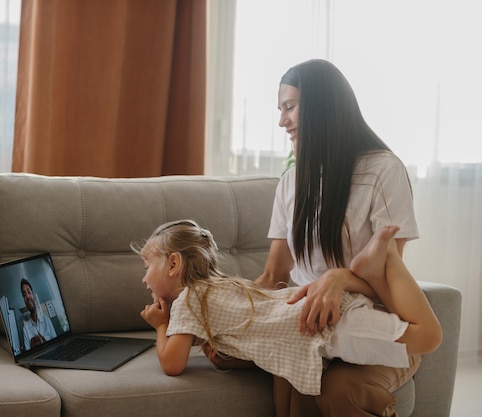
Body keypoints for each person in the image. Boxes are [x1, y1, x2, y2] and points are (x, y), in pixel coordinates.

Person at [245, 58, 435, 416]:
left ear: (320, 107)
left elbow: (389, 278)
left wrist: (340, 279)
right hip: (309, 327)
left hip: (375, 321)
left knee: (338, 389)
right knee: (300, 376)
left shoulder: (382, 171)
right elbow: (273, 277)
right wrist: (231, 309)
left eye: (290, 107)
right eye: (280, 109)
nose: (282, 121)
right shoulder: (291, 182)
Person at [136, 220, 441, 399]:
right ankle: (374, 271)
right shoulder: (220, 287)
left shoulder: (188, 301)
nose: (144, 277)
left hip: (324, 325)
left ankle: (386, 260)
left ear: (174, 263)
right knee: (414, 328)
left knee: (428, 337)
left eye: (148, 266)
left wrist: (161, 324)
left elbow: (172, 363)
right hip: (318, 309)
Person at [20, 278, 57, 350]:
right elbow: (29, 354)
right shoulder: (25, 329)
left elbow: (57, 344)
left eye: (29, 292)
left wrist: (45, 342)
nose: (27, 296)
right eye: (24, 295)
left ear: (33, 297)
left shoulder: (46, 320)